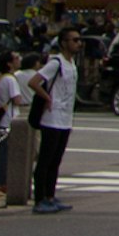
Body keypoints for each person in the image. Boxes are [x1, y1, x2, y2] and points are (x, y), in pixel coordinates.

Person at [31, 33, 79, 211]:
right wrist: (47, 98)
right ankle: (39, 199)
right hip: (52, 118)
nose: (78, 43)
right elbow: (34, 82)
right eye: (74, 40)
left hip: (65, 118)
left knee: (56, 160)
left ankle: (50, 196)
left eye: (79, 40)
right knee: (46, 159)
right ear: (64, 43)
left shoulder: (72, 64)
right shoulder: (55, 63)